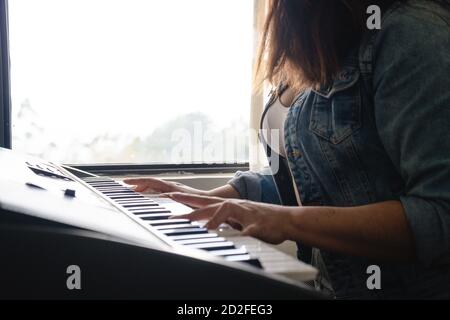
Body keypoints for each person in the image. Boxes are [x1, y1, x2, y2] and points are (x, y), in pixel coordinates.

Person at [125, 0, 450, 299]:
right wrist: (218, 198)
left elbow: (440, 213)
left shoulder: (408, 32)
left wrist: (284, 221)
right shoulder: (323, 37)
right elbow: (315, 184)